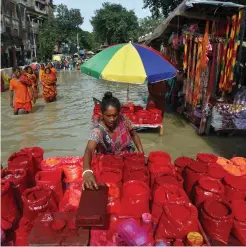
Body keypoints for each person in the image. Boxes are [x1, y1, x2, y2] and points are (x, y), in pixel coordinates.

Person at [82, 92, 144, 190]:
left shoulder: (123, 120)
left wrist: (141, 154)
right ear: (101, 114)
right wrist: (87, 171)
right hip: (109, 168)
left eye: (115, 115)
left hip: (127, 160)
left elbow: (134, 134)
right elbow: (89, 150)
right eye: (108, 116)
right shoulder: (97, 131)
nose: (112, 119)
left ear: (119, 113)